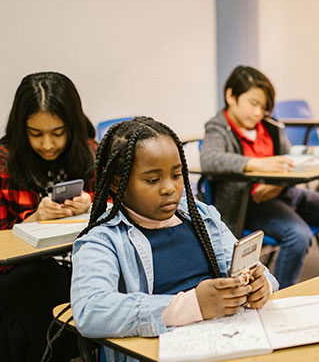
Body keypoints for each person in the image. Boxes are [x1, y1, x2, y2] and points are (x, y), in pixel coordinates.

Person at [70, 117, 278, 362]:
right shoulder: (102, 240)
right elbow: (90, 311)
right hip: (159, 350)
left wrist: (261, 285)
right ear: (117, 183)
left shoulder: (202, 217)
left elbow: (261, 274)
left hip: (226, 339)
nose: (169, 188)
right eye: (152, 180)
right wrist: (193, 305)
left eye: (177, 175)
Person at [200, 66, 319, 288]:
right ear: (231, 96)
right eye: (253, 103)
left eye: (264, 107)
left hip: (287, 193)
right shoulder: (218, 128)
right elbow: (210, 159)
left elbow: (290, 161)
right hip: (251, 204)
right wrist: (256, 163)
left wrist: (279, 184)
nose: (258, 113)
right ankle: (279, 295)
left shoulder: (270, 127)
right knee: (298, 236)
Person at [0, 72, 96, 361]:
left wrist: (92, 204)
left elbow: (122, 211)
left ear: (73, 125)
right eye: (35, 134)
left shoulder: (91, 153)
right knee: (48, 293)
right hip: (25, 270)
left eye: (58, 133)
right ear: (20, 128)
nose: (48, 144)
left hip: (85, 257)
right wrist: (32, 221)